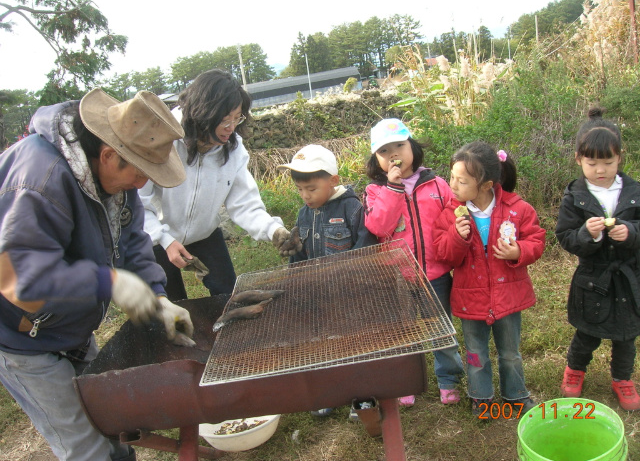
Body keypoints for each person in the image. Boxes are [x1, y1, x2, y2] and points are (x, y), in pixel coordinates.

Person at [0, 88, 195, 461]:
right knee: (87, 450)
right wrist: (108, 281)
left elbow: (133, 236)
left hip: (69, 328)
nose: (141, 185)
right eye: (139, 174)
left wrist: (158, 296)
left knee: (115, 430)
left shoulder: (112, 173)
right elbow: (16, 278)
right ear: (108, 155)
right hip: (22, 337)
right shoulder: (39, 183)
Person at [140, 69, 299, 301]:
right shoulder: (163, 139)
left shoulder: (233, 150)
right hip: (156, 235)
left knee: (227, 294)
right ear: (204, 113)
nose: (231, 127)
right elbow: (138, 204)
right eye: (225, 120)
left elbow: (244, 204)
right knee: (168, 305)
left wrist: (273, 230)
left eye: (237, 118)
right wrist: (163, 239)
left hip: (204, 233)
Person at [432, 141, 545, 416]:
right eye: (452, 179)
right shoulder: (450, 213)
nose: (453, 186)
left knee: (510, 352)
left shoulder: (517, 209)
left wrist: (520, 250)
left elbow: (536, 240)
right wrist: (457, 237)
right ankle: (481, 397)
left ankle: (516, 395)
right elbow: (445, 254)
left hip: (507, 297)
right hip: (471, 299)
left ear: (485, 185)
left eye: (461, 181)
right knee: (476, 354)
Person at [362, 118, 465, 407]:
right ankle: (407, 381)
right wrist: (393, 190)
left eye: (399, 145)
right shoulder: (375, 191)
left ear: (412, 147)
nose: (394, 154)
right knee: (406, 332)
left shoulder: (436, 183)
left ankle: (448, 379)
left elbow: (454, 215)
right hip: (399, 276)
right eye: (385, 151)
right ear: (377, 159)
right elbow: (379, 227)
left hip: (436, 273)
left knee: (440, 328)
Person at [277, 144, 376, 417]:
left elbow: (365, 250)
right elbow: (300, 256)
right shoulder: (303, 214)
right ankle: (329, 393)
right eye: (300, 189)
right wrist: (294, 281)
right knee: (323, 344)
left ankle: (362, 397)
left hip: (350, 294)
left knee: (355, 344)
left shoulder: (352, 209)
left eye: (311, 188)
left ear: (332, 181)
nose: (305, 195)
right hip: (319, 295)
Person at [555, 107, 640, 411]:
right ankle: (574, 371)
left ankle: (623, 379)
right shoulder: (575, 196)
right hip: (593, 279)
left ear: (620, 158)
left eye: (609, 162)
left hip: (629, 279)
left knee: (626, 336)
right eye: (592, 163)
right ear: (579, 159)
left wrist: (631, 232)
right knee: (587, 332)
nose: (601, 170)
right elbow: (564, 236)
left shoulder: (634, 191)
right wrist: (586, 235)